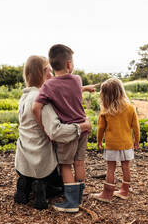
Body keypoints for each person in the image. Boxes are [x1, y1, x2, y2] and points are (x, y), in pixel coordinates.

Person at [14, 55, 92, 210]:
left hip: (23, 160)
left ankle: (26, 184)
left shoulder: (24, 97)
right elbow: (56, 132)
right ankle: (42, 187)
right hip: (41, 161)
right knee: (63, 169)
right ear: (43, 72)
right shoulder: (42, 101)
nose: (51, 75)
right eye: (48, 70)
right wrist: (82, 126)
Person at [32, 44, 95, 213]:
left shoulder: (48, 86)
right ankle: (79, 198)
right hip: (83, 128)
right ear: (68, 65)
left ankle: (71, 203)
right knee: (79, 162)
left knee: (66, 165)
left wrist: (44, 128)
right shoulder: (77, 79)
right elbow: (71, 91)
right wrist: (85, 88)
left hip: (68, 132)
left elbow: (35, 108)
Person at [92, 77, 140, 202]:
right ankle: (124, 191)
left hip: (112, 144)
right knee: (126, 167)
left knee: (110, 168)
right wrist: (137, 141)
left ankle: (107, 194)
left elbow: (100, 128)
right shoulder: (130, 108)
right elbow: (136, 127)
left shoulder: (106, 111)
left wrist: (99, 141)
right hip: (126, 144)